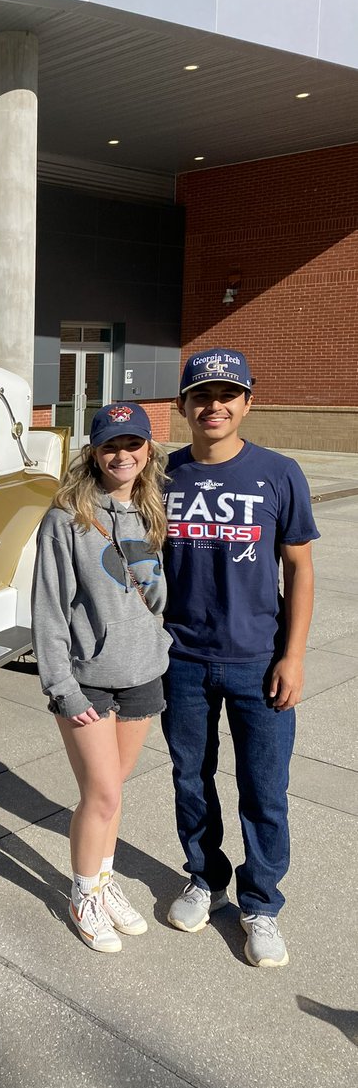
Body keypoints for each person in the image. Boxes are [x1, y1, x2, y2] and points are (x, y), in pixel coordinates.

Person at [161, 348, 318, 968]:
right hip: (184, 661)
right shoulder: (163, 473)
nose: (214, 406)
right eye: (201, 396)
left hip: (260, 660)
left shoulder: (279, 473)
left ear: (248, 401)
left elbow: (300, 568)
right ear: (183, 406)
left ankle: (260, 903)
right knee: (190, 781)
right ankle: (205, 878)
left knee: (264, 789)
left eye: (227, 395)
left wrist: (295, 656)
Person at [32, 403, 170, 953]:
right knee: (101, 793)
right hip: (88, 678)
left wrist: (162, 640)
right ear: (93, 451)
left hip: (142, 675)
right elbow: (48, 607)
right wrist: (60, 686)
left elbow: (159, 599)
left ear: (148, 450)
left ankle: (105, 884)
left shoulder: (152, 511)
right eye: (112, 445)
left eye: (133, 444)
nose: (123, 455)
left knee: (114, 795)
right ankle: (83, 893)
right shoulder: (66, 518)